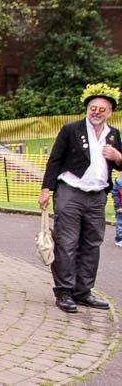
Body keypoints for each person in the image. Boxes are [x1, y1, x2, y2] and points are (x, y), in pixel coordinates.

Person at [38, 83, 122, 314]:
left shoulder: (113, 135)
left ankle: (83, 291)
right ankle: (64, 291)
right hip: (70, 191)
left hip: (97, 195)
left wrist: (117, 156)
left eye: (102, 109)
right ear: (87, 109)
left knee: (92, 243)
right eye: (93, 108)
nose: (96, 112)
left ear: (110, 112)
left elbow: (119, 164)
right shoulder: (71, 130)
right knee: (67, 242)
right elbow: (55, 159)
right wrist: (46, 189)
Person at [111, 173, 122, 247]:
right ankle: (120, 239)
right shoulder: (119, 181)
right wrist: (118, 207)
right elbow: (115, 194)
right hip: (121, 206)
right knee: (120, 223)